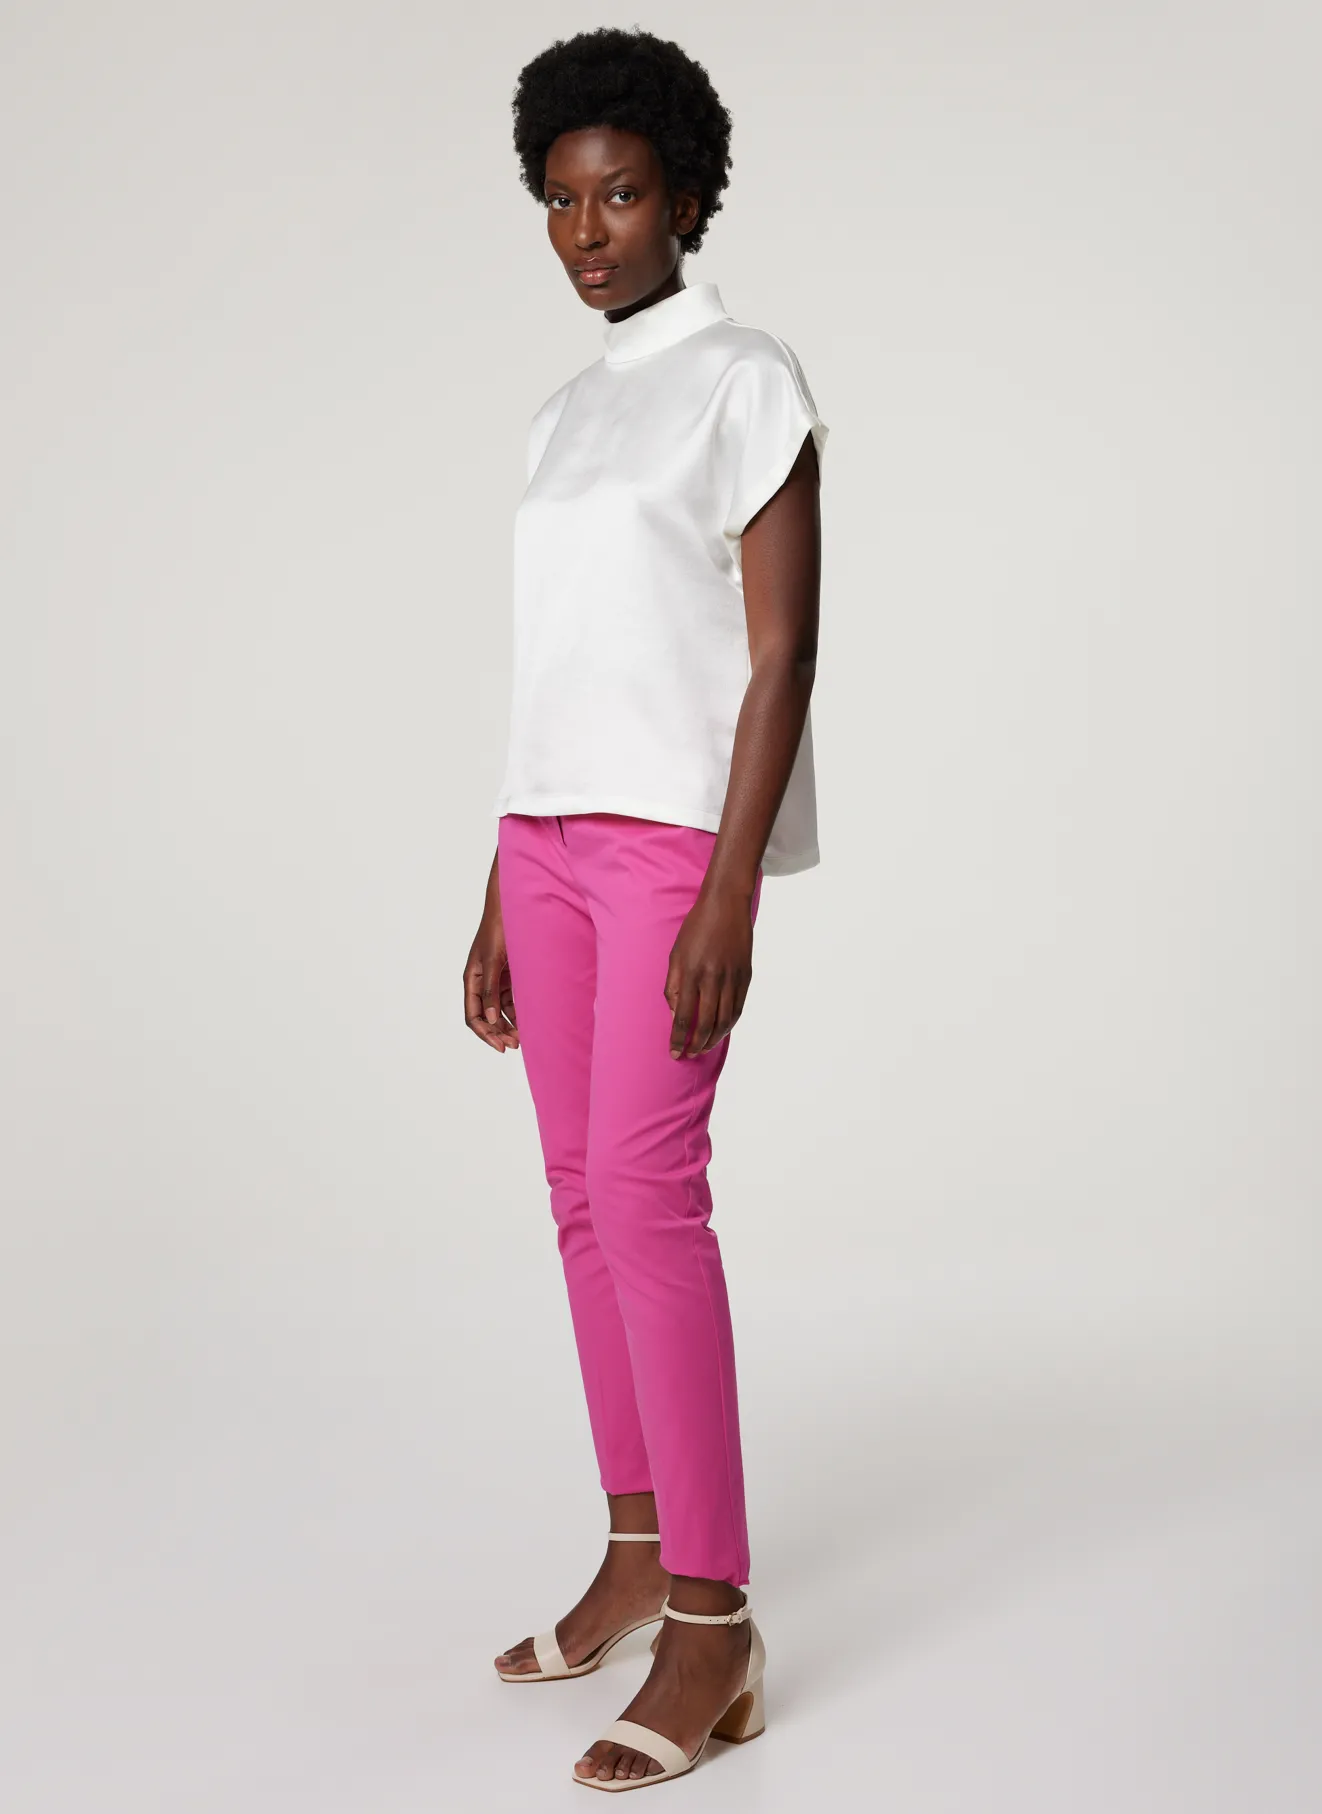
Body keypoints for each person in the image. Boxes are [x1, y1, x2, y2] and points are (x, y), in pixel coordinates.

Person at [463, 26, 828, 1792]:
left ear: (687, 196)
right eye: (560, 201)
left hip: (673, 847)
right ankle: (633, 1546)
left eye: (618, 195)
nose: (588, 230)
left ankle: (713, 1613)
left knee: (645, 1194)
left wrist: (733, 886)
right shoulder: (562, 415)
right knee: (575, 1198)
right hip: (545, 843)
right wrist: (495, 879)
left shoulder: (746, 379)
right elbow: (560, 662)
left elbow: (782, 651)